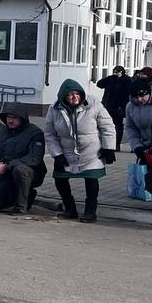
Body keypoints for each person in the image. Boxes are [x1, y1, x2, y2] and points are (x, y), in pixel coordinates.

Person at [44, 78, 116, 223]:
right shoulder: (54, 109)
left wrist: (109, 148)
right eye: (70, 94)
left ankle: (90, 212)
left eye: (77, 93)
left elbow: (107, 126)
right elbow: (50, 133)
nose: (75, 97)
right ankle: (70, 209)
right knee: (60, 178)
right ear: (63, 96)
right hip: (66, 152)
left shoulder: (94, 105)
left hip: (91, 151)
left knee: (91, 179)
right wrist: (57, 154)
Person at [0, 103, 47, 214]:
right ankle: (26, 195)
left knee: (20, 170)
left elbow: (34, 158)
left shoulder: (35, 133)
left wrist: (7, 166)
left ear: (22, 118)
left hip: (31, 172)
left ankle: (21, 205)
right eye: (8, 117)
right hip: (8, 173)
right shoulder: (1, 132)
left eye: (14, 118)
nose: (10, 120)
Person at [124, 78, 152, 155]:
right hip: (145, 147)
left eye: (142, 96)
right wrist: (136, 146)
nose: (139, 99)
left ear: (149, 92)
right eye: (136, 97)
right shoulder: (130, 107)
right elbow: (131, 128)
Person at [95, 65, 131, 147]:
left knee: (118, 125)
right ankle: (106, 143)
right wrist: (109, 77)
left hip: (119, 107)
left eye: (117, 72)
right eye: (114, 72)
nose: (115, 74)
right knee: (106, 124)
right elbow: (99, 84)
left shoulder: (127, 80)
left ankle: (116, 144)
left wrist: (124, 106)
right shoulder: (110, 79)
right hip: (108, 105)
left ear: (121, 72)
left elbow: (128, 93)